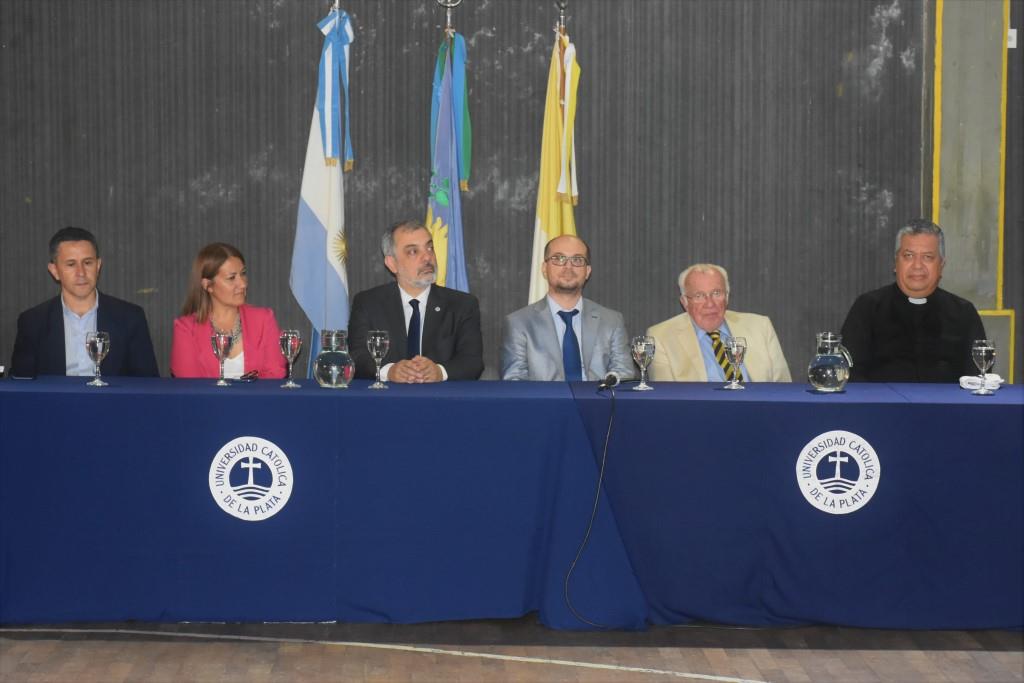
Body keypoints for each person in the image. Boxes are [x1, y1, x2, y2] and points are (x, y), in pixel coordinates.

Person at [840, 219, 986, 382]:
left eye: (928, 257)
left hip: (945, 407)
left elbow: (977, 376)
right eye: (908, 256)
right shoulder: (867, 308)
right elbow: (848, 372)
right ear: (896, 263)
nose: (917, 266)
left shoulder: (963, 313)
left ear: (941, 265)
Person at [10, 226, 159, 378]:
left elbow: (148, 385)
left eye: (87, 263)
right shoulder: (33, 322)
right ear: (54, 270)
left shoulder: (130, 318)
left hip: (112, 402)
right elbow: (21, 386)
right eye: (71, 264)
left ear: (98, 266)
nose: (81, 273)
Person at [348, 221, 483, 382]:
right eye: (413, 251)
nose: (427, 257)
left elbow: (472, 361)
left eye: (430, 247)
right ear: (392, 263)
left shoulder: (462, 305)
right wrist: (389, 371)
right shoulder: (368, 303)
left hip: (440, 401)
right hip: (386, 401)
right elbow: (357, 356)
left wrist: (440, 372)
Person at [501, 234, 633, 382]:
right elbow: (514, 381)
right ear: (545, 268)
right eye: (559, 258)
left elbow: (624, 372)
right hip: (544, 404)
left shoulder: (612, 320)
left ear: (587, 271)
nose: (568, 267)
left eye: (577, 260)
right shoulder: (519, 323)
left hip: (597, 401)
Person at [646, 263, 791, 382]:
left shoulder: (760, 326)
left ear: (727, 297)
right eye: (699, 296)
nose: (710, 304)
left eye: (716, 293)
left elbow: (782, 387)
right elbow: (667, 398)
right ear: (684, 302)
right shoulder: (661, 337)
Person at [170, 243, 286, 379]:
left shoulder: (264, 319)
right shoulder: (186, 328)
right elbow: (189, 385)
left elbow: (275, 373)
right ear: (207, 285)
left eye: (243, 274)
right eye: (232, 278)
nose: (243, 284)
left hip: (257, 401)